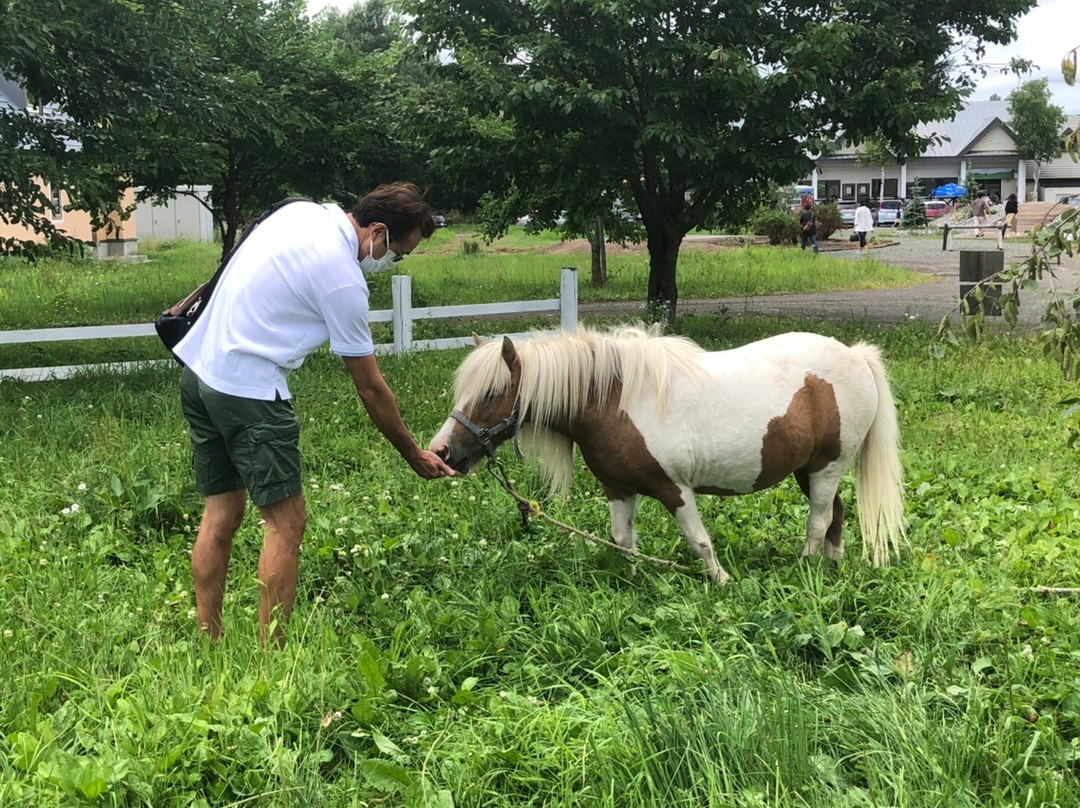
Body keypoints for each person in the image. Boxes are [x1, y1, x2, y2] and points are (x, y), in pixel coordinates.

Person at [174, 183, 457, 645]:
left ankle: (209, 639)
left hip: (200, 370)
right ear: (378, 231)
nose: (391, 263)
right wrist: (412, 453)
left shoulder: (303, 212)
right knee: (286, 522)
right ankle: (272, 654)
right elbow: (370, 388)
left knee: (220, 513)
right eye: (397, 254)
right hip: (249, 391)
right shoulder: (343, 277)